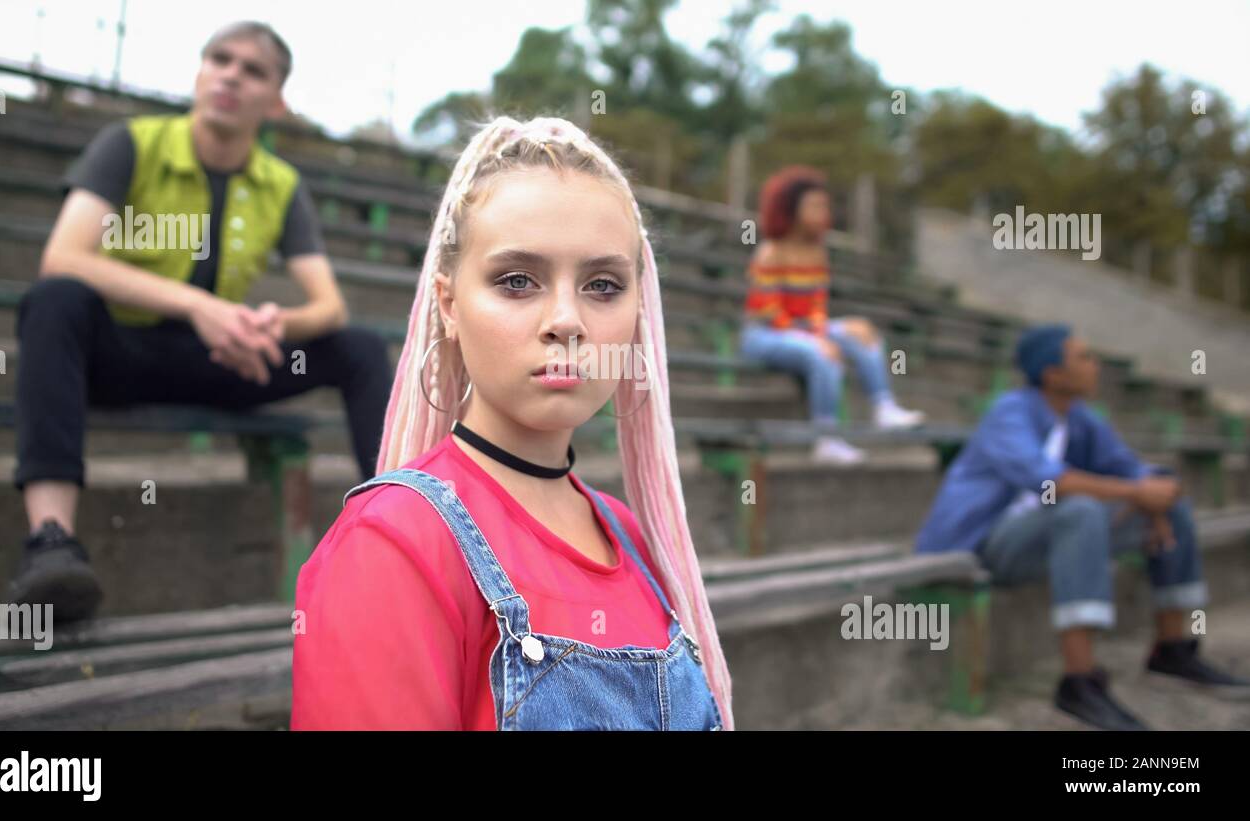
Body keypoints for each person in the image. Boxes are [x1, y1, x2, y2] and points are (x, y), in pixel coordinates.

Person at [291, 116, 733, 730]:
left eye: (603, 285)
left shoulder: (631, 534)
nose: (566, 321)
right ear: (449, 304)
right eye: (517, 281)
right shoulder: (393, 541)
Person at [9, 21, 391, 623]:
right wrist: (199, 307)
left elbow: (329, 307)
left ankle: (402, 531)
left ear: (276, 101)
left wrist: (267, 326)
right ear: (199, 71)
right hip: (119, 357)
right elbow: (64, 256)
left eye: (253, 71)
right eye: (220, 59)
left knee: (360, 346)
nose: (230, 76)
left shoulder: (281, 184)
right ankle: (51, 541)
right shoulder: (129, 143)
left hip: (223, 361)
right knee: (56, 300)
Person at [915, 323, 1250, 730]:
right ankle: (1080, 681)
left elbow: (1132, 469)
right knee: (1081, 510)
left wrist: (1159, 494)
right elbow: (1050, 482)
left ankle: (1172, 649)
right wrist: (1136, 491)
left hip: (1043, 537)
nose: (1096, 366)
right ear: (1052, 373)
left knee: (1171, 509)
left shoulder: (1079, 418)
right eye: (1084, 357)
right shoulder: (1011, 411)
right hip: (981, 544)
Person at [739, 165, 923, 466]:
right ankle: (825, 438)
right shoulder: (770, 253)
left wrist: (821, 330)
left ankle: (883, 405)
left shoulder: (818, 252)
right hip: (763, 335)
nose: (823, 213)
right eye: (814, 206)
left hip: (799, 329)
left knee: (862, 330)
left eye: (824, 206)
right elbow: (769, 314)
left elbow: (816, 307)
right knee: (821, 352)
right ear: (791, 209)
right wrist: (816, 338)